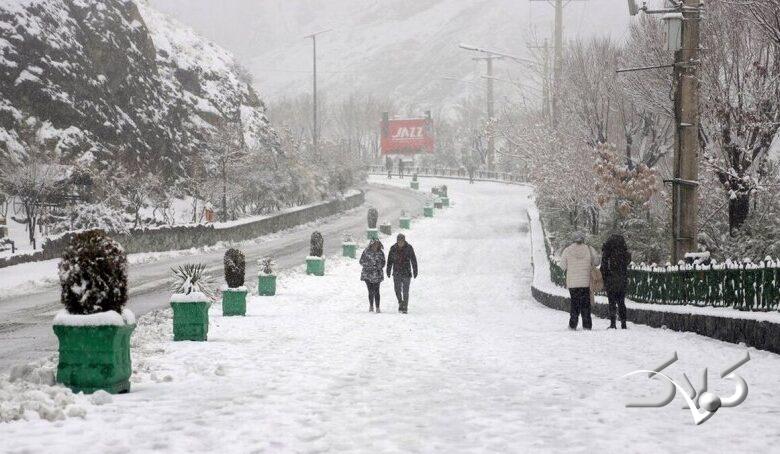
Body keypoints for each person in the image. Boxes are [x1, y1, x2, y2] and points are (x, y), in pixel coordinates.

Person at [560, 231, 599, 330]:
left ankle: (573, 324)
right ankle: (587, 325)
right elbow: (597, 262)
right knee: (586, 304)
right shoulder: (589, 249)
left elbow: (562, 266)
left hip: (572, 283)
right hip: (585, 282)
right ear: (583, 239)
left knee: (574, 304)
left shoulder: (567, 250)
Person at [601, 233, 631, 329]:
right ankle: (623, 323)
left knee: (612, 302)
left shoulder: (607, 252)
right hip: (622, 279)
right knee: (621, 302)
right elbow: (627, 263)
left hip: (611, 279)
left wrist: (604, 278)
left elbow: (603, 266)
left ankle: (613, 323)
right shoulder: (624, 252)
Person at [386, 233, 418, 314]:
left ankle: (405, 307)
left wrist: (415, 270)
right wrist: (388, 270)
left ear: (404, 241)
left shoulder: (409, 248)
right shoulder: (393, 248)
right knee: (397, 289)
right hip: (396, 272)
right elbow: (390, 261)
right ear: (397, 241)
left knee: (405, 291)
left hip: (406, 272)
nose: (400, 243)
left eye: (402, 241)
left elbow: (413, 259)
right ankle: (400, 302)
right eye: (399, 241)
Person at [360, 239, 386, 312]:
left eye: (377, 244)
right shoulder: (366, 252)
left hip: (377, 275)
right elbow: (361, 261)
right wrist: (369, 265)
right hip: (367, 275)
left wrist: (378, 266)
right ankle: (371, 305)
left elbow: (383, 262)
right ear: (371, 245)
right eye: (374, 244)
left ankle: (377, 307)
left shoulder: (380, 253)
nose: (375, 246)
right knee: (370, 291)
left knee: (377, 291)